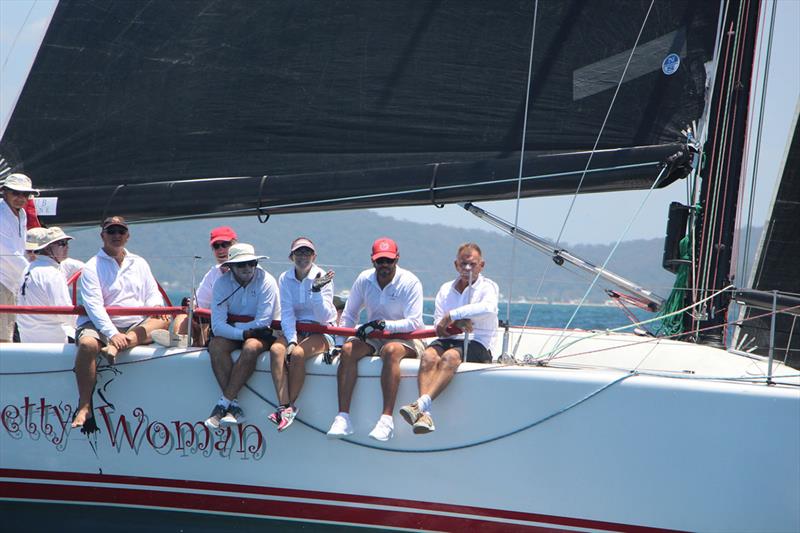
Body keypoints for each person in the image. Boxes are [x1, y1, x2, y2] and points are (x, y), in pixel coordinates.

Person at [71, 216, 170, 428]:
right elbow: (94, 307)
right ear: (102, 236)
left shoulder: (140, 263)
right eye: (111, 232)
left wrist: (155, 307)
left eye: (120, 232)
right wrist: (112, 333)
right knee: (88, 345)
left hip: (133, 325)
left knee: (163, 319)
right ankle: (85, 405)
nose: (116, 236)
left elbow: (152, 294)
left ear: (127, 236)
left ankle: (115, 348)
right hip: (100, 324)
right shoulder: (91, 267)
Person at [326, 237, 424, 442]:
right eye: (380, 261)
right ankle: (343, 417)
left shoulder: (410, 281)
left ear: (397, 259)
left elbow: (414, 322)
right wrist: (338, 343)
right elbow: (350, 315)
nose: (385, 265)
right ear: (373, 261)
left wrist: (383, 325)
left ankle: (386, 420)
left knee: (391, 351)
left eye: (389, 261)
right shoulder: (364, 279)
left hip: (407, 338)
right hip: (375, 337)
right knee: (348, 351)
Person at [400, 243, 498, 434]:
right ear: (456, 265)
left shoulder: (488, 287)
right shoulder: (446, 289)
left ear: (482, 265)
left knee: (450, 357)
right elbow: (439, 324)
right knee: (428, 356)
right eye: (463, 264)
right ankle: (425, 414)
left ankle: (420, 404)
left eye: (473, 264)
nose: (467, 269)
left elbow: (488, 307)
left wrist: (452, 315)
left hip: (478, 342)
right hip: (451, 338)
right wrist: (455, 322)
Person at [205, 243, 280, 429]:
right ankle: (234, 407)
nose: (248, 268)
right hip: (246, 331)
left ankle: (223, 404)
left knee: (251, 346)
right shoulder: (221, 283)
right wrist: (244, 332)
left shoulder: (267, 281)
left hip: (265, 334)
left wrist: (238, 329)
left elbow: (263, 323)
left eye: (251, 263)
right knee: (215, 345)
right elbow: (217, 326)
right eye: (241, 265)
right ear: (230, 267)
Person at [267, 237, 336, 431]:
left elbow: (325, 317)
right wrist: (291, 340)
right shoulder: (285, 278)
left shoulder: (322, 275)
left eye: (307, 253)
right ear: (292, 256)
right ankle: (285, 406)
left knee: (297, 354)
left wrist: (316, 291)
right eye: (299, 252)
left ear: (314, 256)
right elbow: (287, 312)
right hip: (295, 329)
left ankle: (287, 407)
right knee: (276, 350)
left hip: (320, 330)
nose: (303, 256)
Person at [154, 226, 238, 347]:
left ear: (235, 245)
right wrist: (191, 304)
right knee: (183, 316)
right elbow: (200, 302)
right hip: (215, 322)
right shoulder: (213, 273)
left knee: (206, 323)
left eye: (225, 244)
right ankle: (177, 343)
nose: (220, 250)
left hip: (234, 325)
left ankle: (185, 344)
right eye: (216, 246)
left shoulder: (251, 273)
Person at [17, 227, 77, 343]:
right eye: (62, 243)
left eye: (66, 243)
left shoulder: (27, 268)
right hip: (54, 342)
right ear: (48, 248)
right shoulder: (52, 273)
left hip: (27, 339)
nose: (67, 247)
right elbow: (65, 312)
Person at [0, 173, 39, 342]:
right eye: (16, 193)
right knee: (3, 336)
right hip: (2, 279)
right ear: (5, 192)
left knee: (8, 334)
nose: (21, 198)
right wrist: (34, 274)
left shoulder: (22, 214)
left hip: (14, 281)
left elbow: (20, 248)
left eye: (25, 194)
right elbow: (7, 251)